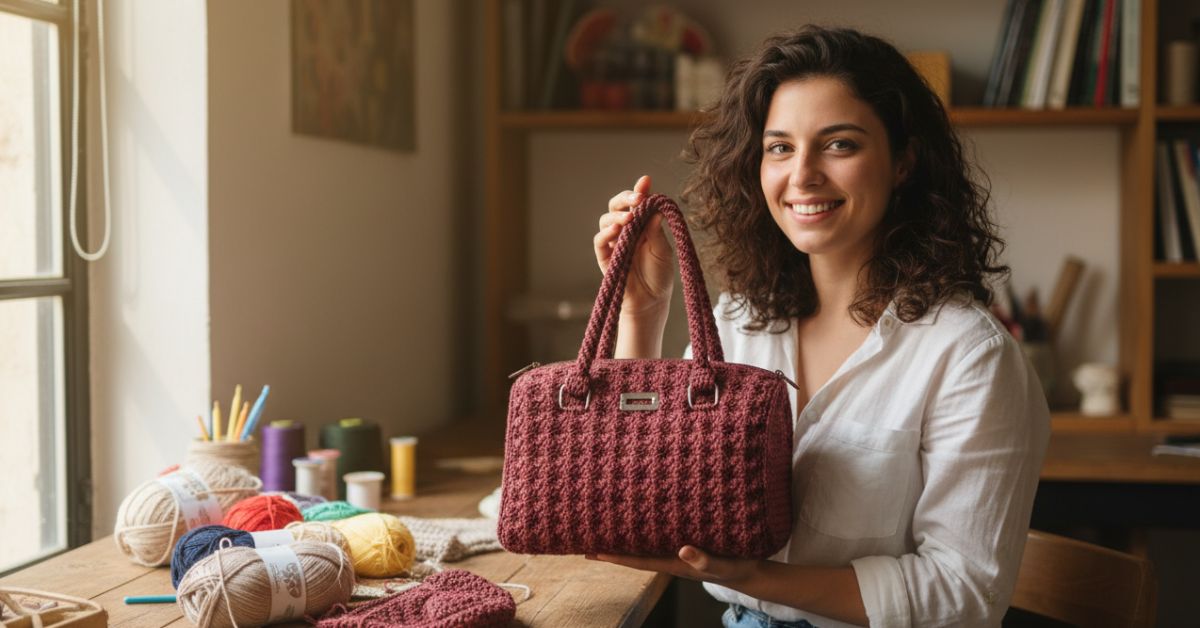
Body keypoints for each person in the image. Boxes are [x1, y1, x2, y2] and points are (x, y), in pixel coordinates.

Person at [588, 26, 1050, 628]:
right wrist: (640, 312)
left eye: (839, 145)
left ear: (904, 160)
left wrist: (752, 578)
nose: (802, 175)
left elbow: (961, 596)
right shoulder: (741, 319)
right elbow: (640, 495)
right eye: (780, 147)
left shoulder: (969, 354)